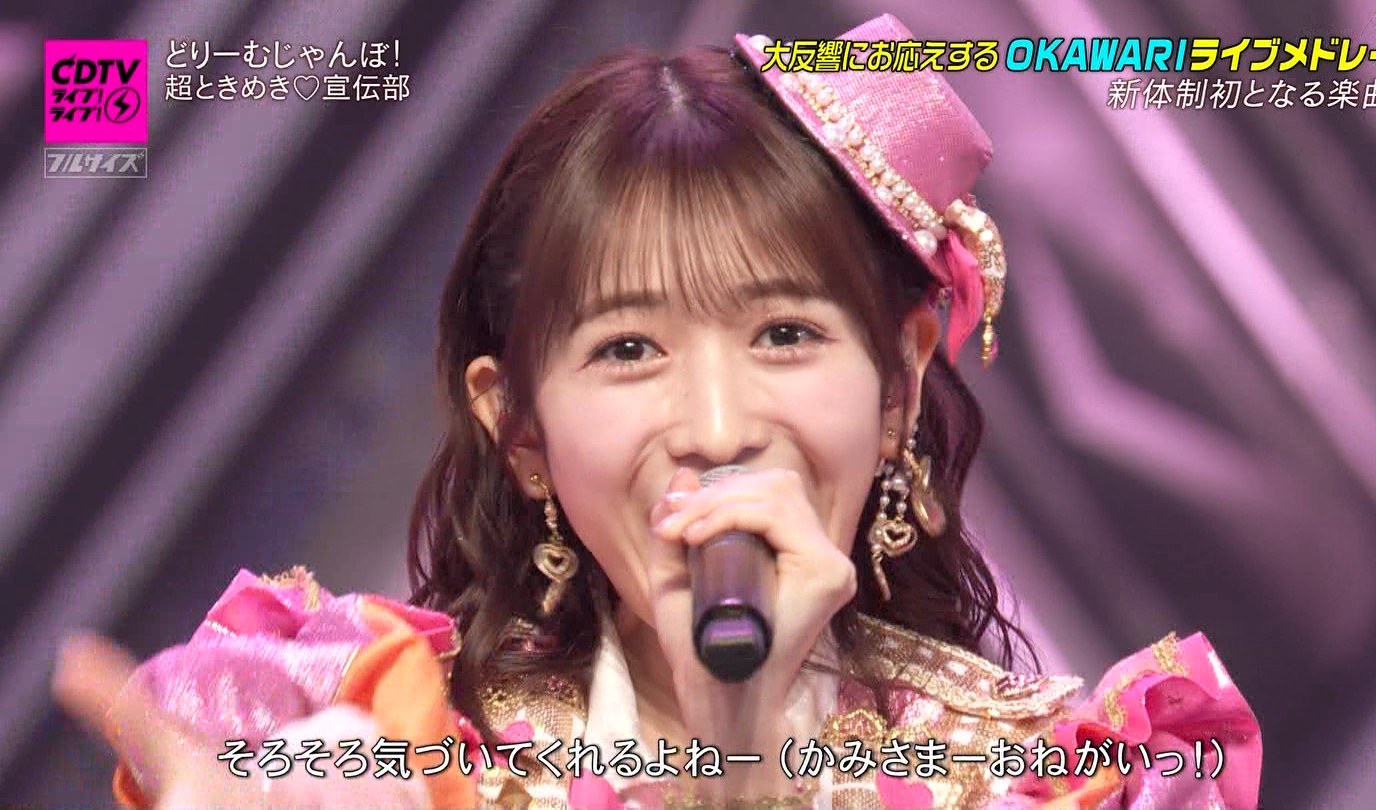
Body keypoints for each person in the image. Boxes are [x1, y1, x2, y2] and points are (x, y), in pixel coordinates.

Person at [53, 14, 1261, 810]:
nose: (719, 426)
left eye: (785, 335)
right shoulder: (387, 760)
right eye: (629, 349)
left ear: (899, 384)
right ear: (520, 429)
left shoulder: (1050, 785)